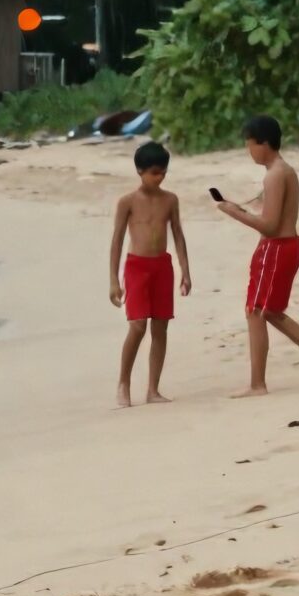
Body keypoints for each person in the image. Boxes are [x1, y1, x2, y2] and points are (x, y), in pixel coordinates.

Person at [212, 115, 299, 395]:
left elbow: (269, 225)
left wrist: (234, 213)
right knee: (268, 311)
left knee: (257, 311)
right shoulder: (283, 171)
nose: (249, 151)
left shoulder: (276, 174)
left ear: (264, 144)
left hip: (278, 247)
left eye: (250, 145)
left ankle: (258, 383)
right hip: (282, 246)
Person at [109, 140, 191, 407]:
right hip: (136, 267)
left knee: (160, 327)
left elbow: (178, 234)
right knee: (137, 326)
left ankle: (153, 389)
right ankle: (123, 383)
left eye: (163, 172)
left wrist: (185, 270)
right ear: (140, 171)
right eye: (154, 172)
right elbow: (117, 240)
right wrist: (113, 281)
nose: (160, 177)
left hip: (161, 266)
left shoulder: (170, 200)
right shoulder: (128, 202)